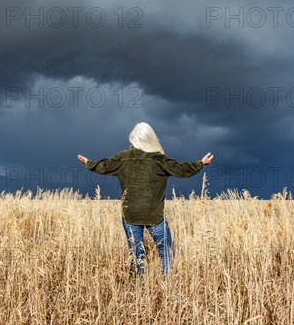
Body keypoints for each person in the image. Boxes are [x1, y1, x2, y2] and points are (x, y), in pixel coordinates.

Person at [77, 122, 214, 288]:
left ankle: (137, 291)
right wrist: (201, 163)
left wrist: (89, 163)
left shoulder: (123, 158)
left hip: (130, 215)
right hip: (154, 217)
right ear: (151, 138)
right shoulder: (159, 159)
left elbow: (104, 166)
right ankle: (167, 287)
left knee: (136, 255)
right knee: (166, 252)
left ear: (134, 138)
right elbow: (182, 169)